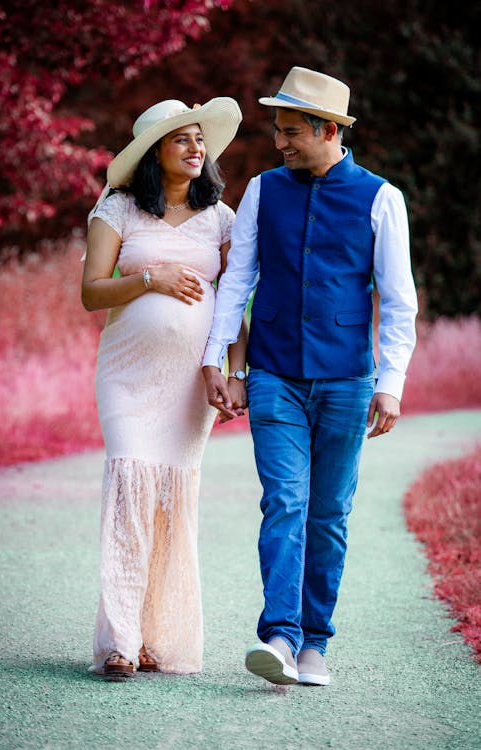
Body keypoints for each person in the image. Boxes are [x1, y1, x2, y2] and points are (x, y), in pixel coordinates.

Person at [202, 67, 418, 686]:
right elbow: (237, 279)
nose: (280, 143)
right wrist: (217, 358)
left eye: (292, 131)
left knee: (328, 513)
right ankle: (280, 634)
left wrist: (391, 382)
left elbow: (399, 302)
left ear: (328, 130)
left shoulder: (381, 198)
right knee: (285, 502)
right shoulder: (263, 192)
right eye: (278, 130)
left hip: (348, 381)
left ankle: (315, 643)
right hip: (273, 374)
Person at [82, 97, 247, 679]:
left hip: (188, 384)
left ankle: (156, 639)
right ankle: (119, 643)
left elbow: (233, 303)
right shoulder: (118, 208)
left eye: (200, 139)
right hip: (127, 376)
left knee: (171, 504)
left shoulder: (222, 219)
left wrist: (235, 370)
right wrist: (149, 278)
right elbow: (92, 292)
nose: (197, 148)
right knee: (129, 484)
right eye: (182, 140)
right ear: (155, 152)